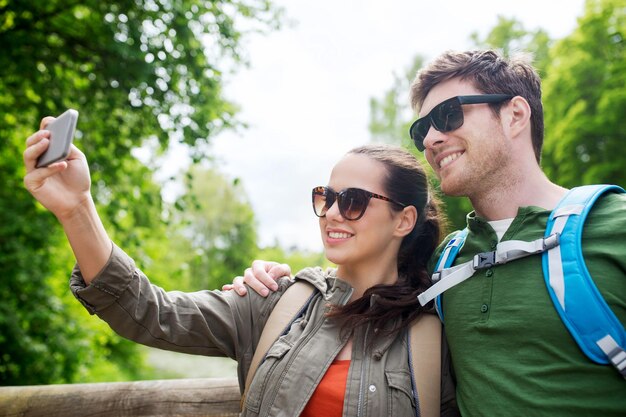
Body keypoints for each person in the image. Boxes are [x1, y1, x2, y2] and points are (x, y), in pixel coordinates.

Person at [229, 49, 626, 416]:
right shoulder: (443, 268)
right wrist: (275, 279)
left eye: (450, 115)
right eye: (422, 130)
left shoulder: (613, 225)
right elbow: (363, 278)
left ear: (515, 116)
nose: (431, 140)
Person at [23, 132, 459, 416]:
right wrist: (76, 207)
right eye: (327, 197)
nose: (331, 213)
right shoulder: (274, 300)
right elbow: (147, 311)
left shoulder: (436, 332)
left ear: (403, 221)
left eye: (355, 201)